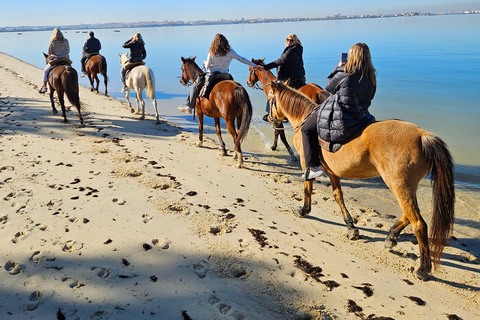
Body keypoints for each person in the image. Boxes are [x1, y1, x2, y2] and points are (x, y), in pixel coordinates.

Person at [301, 43, 377, 181]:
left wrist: (337, 67)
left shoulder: (344, 72)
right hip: (361, 116)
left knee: (306, 129)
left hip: (341, 116)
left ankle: (313, 167)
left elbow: (328, 88)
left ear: (352, 56)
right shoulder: (371, 76)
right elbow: (370, 97)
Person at [178, 33, 256, 114]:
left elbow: (208, 66)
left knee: (195, 86)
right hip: (226, 75)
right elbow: (242, 59)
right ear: (226, 42)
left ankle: (189, 106)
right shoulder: (230, 52)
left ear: (214, 42)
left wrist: (205, 63)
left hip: (212, 75)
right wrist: (255, 65)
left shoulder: (212, 52)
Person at [257, 34, 306, 120]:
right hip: (299, 77)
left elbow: (279, 62)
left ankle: (272, 115)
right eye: (288, 40)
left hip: (289, 78)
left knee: (272, 93)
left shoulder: (291, 51)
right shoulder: (297, 49)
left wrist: (264, 67)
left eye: (291, 40)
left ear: (295, 41)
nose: (289, 42)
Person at [39, 28, 70, 93]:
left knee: (45, 71)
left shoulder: (52, 41)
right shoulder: (66, 40)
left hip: (56, 59)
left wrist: (52, 54)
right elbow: (68, 50)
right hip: (66, 59)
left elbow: (49, 52)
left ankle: (44, 87)